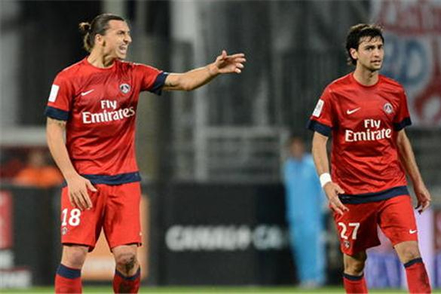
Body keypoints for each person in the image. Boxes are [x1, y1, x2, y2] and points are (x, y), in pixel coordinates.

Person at [45, 13, 245, 293]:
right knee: (75, 255)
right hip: (83, 182)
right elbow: (54, 128)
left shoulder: (133, 73)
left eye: (128, 33)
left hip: (123, 181)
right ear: (100, 39)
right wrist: (71, 176)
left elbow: (182, 81)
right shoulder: (69, 78)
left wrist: (212, 69)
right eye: (121, 33)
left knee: (127, 259)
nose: (128, 38)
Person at [307, 24, 431, 293]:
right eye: (369, 48)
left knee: (411, 251)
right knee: (354, 264)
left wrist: (417, 182)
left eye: (380, 47)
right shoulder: (334, 93)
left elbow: (400, 139)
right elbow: (318, 141)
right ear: (354, 53)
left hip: (391, 187)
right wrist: (327, 184)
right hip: (351, 193)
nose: (377, 53)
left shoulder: (395, 92)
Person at [283, 136, 326, 288]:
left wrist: (324, 205)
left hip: (312, 216)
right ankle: (304, 278)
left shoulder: (312, 164)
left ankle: (316, 278)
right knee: (299, 248)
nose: (295, 150)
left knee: (313, 248)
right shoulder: (288, 167)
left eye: (297, 146)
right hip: (295, 216)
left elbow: (323, 188)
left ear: (302, 147)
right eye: (292, 147)